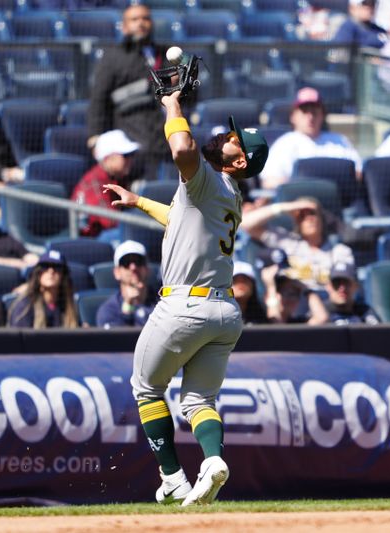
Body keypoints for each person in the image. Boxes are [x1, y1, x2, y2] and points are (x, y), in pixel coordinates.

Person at [103, 90, 270, 505]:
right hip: (225, 312)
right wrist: (139, 201)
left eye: (234, 139)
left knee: (145, 387)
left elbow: (181, 147)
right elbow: (180, 217)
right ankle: (212, 460)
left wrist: (172, 106)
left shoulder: (207, 178)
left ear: (240, 161)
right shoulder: (227, 192)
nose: (227, 136)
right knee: (198, 400)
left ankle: (173, 476)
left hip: (185, 306)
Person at [87, 4, 170, 182]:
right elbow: (98, 100)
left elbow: (189, 97)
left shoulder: (165, 54)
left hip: (164, 139)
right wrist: (95, 137)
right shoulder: (113, 58)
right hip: (131, 139)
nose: (141, 23)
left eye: (145, 19)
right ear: (124, 26)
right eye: (134, 19)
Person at [240, 197, 354, 292]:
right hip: (293, 307)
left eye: (313, 214)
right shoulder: (287, 242)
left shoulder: (339, 251)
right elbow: (246, 224)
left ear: (322, 219)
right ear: (297, 222)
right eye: (302, 216)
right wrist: (288, 207)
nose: (309, 218)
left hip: (328, 308)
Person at [258, 88, 362, 190]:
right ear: (293, 116)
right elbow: (269, 182)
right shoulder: (284, 144)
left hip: (340, 203)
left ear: (322, 115)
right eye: (304, 111)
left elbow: (359, 173)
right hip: (299, 203)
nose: (310, 117)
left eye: (314, 112)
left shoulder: (340, 141)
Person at [71, 129, 140, 238]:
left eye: (131, 155)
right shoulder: (95, 181)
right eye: (125, 155)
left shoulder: (117, 177)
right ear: (108, 159)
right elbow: (109, 221)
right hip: (91, 239)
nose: (130, 160)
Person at [7, 250, 79, 329]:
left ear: (63, 275)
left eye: (57, 267)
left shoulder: (69, 306)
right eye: (45, 266)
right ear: (38, 273)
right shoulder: (25, 306)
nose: (51, 271)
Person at [96, 240, 157, 329]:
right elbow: (116, 340)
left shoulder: (162, 303)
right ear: (117, 272)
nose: (133, 267)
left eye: (138, 261)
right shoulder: (108, 310)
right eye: (126, 262)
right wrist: (128, 305)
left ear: (147, 269)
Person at [309, 261, 381, 325]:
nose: (342, 288)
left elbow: (379, 334)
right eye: (336, 283)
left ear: (356, 286)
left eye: (346, 283)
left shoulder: (365, 311)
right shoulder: (319, 313)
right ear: (328, 287)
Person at [231, 260, 268, 325]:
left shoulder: (262, 317)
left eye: (245, 280)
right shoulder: (220, 317)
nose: (241, 284)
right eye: (235, 280)